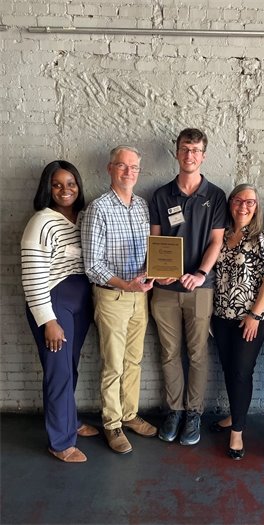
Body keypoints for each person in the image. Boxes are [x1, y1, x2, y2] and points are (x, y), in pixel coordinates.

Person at [150, 128, 227, 446]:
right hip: (165, 290)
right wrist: (157, 272)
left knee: (196, 353)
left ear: (203, 155)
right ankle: (175, 411)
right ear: (177, 152)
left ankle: (193, 413)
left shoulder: (216, 196)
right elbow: (155, 240)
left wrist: (199, 273)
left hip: (200, 288)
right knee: (169, 353)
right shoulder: (160, 195)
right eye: (185, 149)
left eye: (196, 150)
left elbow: (216, 241)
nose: (190, 155)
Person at [81, 145, 157, 455]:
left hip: (141, 297)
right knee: (112, 364)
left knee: (133, 361)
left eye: (134, 167)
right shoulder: (97, 208)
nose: (129, 172)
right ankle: (111, 423)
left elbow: (150, 251)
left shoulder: (142, 206)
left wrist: (157, 273)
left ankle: (129, 415)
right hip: (113, 297)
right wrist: (125, 284)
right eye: (123, 166)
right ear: (110, 168)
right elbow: (92, 264)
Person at [21, 160, 98, 463]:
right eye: (57, 184)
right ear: (47, 188)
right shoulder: (41, 222)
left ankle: (71, 420)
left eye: (71, 184)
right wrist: (48, 320)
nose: (65, 190)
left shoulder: (84, 218)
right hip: (54, 305)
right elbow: (32, 277)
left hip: (81, 302)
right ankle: (61, 441)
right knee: (59, 371)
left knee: (70, 367)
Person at [210, 184, 264, 459]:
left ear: (256, 206)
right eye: (238, 200)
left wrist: (254, 315)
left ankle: (237, 431)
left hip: (249, 319)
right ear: (231, 203)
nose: (244, 206)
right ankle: (233, 414)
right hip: (221, 317)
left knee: (241, 372)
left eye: (250, 201)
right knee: (229, 370)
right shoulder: (223, 235)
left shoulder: (262, 237)